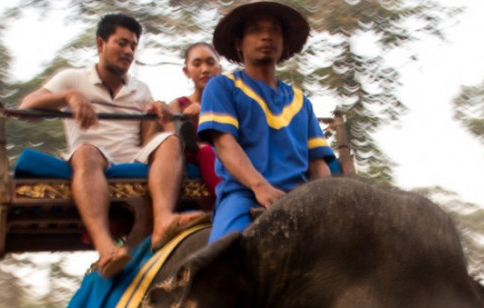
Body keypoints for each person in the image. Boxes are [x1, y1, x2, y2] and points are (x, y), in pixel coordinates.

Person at [19, 13, 205, 278]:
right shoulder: (73, 79)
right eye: (121, 43)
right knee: (87, 152)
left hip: (132, 156)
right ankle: (106, 248)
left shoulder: (141, 89)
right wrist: (70, 97)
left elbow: (150, 142)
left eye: (133, 46)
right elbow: (27, 107)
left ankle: (164, 219)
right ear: (100, 44)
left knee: (171, 140)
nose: (128, 51)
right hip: (92, 154)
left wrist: (157, 115)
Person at [198, 1, 336, 243]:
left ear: (283, 43)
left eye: (274, 30)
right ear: (239, 43)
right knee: (222, 260)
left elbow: (317, 165)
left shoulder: (300, 101)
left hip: (300, 197)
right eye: (255, 30)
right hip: (244, 194)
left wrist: (331, 202)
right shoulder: (222, 87)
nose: (266, 36)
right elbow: (225, 144)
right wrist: (260, 186)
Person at [169, 42, 222, 193]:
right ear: (187, 71)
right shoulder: (178, 105)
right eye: (197, 64)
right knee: (206, 151)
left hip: (226, 151)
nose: (205, 69)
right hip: (195, 153)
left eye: (210, 63)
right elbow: (171, 142)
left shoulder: (229, 104)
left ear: (220, 68)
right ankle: (224, 198)